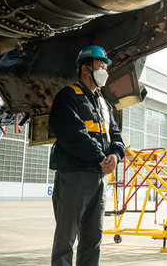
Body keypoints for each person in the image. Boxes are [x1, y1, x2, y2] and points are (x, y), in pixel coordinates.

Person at [49, 45, 126, 266]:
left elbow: (116, 135)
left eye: (105, 65)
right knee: (66, 239)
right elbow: (73, 133)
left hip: (100, 178)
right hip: (75, 176)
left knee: (93, 240)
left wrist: (115, 156)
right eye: (101, 64)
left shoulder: (104, 103)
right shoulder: (68, 96)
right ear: (85, 67)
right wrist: (100, 157)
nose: (105, 69)